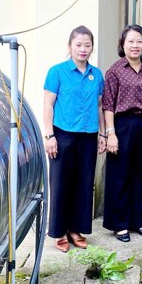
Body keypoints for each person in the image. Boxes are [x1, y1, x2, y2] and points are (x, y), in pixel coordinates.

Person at [43, 25, 106, 252]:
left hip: (88, 136)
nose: (83, 49)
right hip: (63, 135)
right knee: (61, 184)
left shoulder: (96, 74)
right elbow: (48, 104)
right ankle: (59, 232)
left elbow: (99, 106)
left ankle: (76, 229)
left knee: (84, 183)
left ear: (92, 48)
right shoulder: (57, 72)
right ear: (70, 46)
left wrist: (103, 134)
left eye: (87, 45)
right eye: (78, 45)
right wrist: (49, 135)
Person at [102, 25, 142, 242]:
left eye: (139, 41)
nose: (135, 45)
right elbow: (108, 105)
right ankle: (120, 224)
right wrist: (110, 133)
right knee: (120, 175)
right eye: (131, 41)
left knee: (141, 174)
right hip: (122, 125)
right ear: (123, 44)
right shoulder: (115, 71)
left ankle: (138, 221)